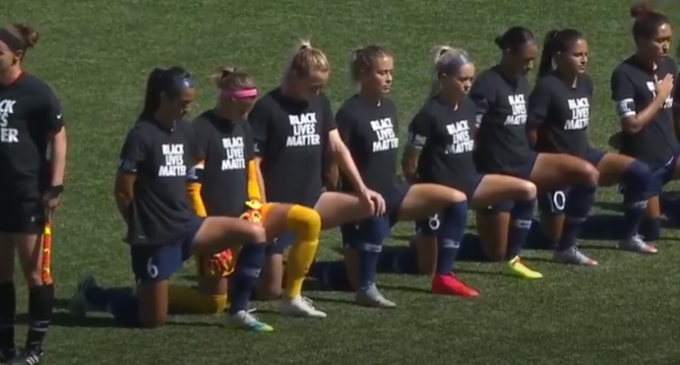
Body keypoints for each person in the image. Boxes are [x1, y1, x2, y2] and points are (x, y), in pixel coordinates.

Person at [68, 67, 273, 332]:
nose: (188, 109)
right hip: (155, 237)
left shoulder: (186, 132)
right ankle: (95, 295)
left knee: (256, 233)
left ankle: (238, 311)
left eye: (191, 103)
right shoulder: (141, 135)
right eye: (183, 103)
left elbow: (194, 176)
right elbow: (122, 190)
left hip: (188, 225)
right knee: (152, 319)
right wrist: (139, 225)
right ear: (164, 98)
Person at [249, 40, 388, 307]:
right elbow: (253, 164)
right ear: (294, 76)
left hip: (313, 199)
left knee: (370, 206)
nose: (319, 91)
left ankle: (363, 283)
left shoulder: (320, 102)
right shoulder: (268, 108)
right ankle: (255, 272)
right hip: (280, 208)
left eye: (322, 85)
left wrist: (362, 188)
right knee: (268, 292)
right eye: (313, 85)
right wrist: (263, 206)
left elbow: (337, 146)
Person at [184, 65, 324, 318]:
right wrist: (206, 235)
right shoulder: (201, 130)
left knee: (309, 219)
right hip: (215, 225)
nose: (246, 113)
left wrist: (257, 207)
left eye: (249, 107)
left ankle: (291, 297)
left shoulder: (243, 126)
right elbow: (192, 187)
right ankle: (135, 297)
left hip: (247, 215)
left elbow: (251, 172)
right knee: (212, 304)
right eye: (242, 107)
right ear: (227, 99)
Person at [335, 44, 470, 302]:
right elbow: (338, 161)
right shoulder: (349, 113)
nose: (389, 78)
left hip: (394, 191)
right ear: (364, 74)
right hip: (363, 199)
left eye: (391, 72)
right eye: (382, 72)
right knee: (351, 279)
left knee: (457, 199)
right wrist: (353, 195)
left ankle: (444, 276)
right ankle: (362, 287)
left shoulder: (389, 107)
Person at [403, 45, 537, 292]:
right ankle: (430, 262)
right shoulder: (428, 115)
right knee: (424, 267)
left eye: (470, 79)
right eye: (462, 79)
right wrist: (422, 196)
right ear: (444, 79)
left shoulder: (468, 107)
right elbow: (410, 162)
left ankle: (513, 257)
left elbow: (474, 142)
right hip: (438, 190)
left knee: (527, 190)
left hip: (470, 182)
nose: (468, 85)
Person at [470, 27, 599, 279]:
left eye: (532, 60)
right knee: (495, 252)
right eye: (526, 59)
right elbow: (471, 127)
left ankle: (565, 247)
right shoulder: (487, 83)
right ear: (509, 52)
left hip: (525, 160)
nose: (530, 66)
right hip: (499, 170)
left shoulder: (520, 80)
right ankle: (435, 246)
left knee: (587, 173)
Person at [531, 28, 656, 262]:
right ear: (558, 57)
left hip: (585, 155)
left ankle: (629, 236)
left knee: (640, 172)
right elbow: (531, 129)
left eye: (585, 54)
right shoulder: (547, 87)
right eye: (577, 55)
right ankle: (565, 249)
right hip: (557, 166)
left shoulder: (586, 82)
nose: (584, 59)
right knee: (553, 236)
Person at [0, 24, 66, 365]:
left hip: (27, 193)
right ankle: (5, 346)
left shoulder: (36, 92)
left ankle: (34, 347)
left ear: (16, 55)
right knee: (1, 274)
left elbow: (58, 136)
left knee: (35, 273)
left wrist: (54, 186)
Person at [610, 2, 678, 249]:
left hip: (672, 154)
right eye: (659, 40)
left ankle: (668, 204)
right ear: (640, 40)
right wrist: (659, 98)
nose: (665, 45)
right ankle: (662, 204)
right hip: (645, 163)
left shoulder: (669, 66)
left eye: (668, 39)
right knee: (652, 232)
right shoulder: (624, 74)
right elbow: (632, 126)